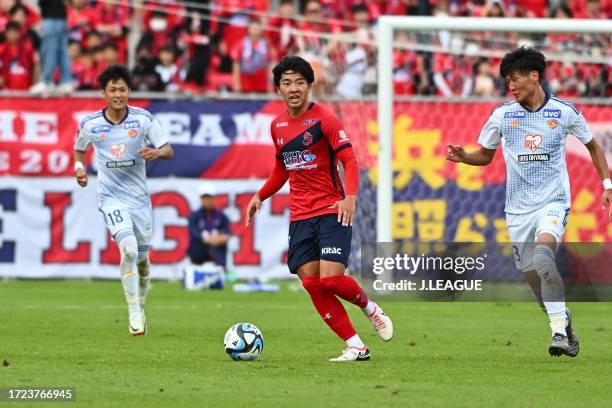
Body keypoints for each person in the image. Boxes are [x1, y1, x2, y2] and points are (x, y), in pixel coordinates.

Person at [446, 47, 612, 357]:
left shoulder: (564, 112)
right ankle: (563, 321)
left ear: (534, 76)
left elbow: (594, 147)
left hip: (553, 201)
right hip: (517, 209)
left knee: (543, 257)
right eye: (508, 81)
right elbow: (485, 154)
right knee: (535, 282)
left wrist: (607, 183)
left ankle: (559, 333)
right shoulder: (503, 115)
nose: (511, 86)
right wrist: (464, 157)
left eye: (515, 79)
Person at [245, 56, 393, 362]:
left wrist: (349, 196)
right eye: (287, 83)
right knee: (312, 283)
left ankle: (372, 309)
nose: (294, 88)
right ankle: (356, 346)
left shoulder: (325, 119)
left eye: (300, 82)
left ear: (310, 86)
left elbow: (349, 160)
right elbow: (281, 169)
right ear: (278, 89)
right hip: (301, 216)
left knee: (331, 279)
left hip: (332, 210)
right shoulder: (278, 127)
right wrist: (260, 195)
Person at [73, 64, 174, 336]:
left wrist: (156, 152)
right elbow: (79, 150)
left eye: (122, 89)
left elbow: (168, 150)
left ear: (129, 91)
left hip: (139, 200)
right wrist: (79, 170)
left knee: (142, 261)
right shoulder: (91, 124)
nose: (118, 94)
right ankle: (132, 310)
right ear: (104, 93)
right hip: (110, 197)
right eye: (113, 89)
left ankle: (141, 304)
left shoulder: (143, 119)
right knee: (127, 249)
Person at [187, 183, 231, 269]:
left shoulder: (222, 216)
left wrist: (216, 239)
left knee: (217, 247)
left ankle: (221, 268)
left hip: (217, 252)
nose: (207, 200)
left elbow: (227, 234)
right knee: (198, 244)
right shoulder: (194, 216)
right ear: (201, 199)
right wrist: (210, 239)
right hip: (199, 254)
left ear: (213, 198)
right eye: (205, 197)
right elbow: (196, 234)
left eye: (209, 197)